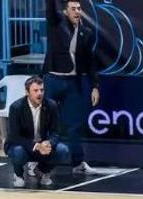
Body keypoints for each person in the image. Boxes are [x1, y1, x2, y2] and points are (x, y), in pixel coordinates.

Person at [43, 0, 99, 175]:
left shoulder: (86, 32)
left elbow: (90, 62)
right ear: (66, 12)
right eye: (73, 9)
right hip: (52, 80)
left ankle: (78, 163)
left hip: (73, 82)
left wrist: (95, 86)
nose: (77, 12)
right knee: (44, 122)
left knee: (74, 124)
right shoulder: (56, 23)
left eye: (79, 9)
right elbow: (50, 8)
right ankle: (35, 161)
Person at [5, 76, 70, 187]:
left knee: (63, 150)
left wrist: (49, 142)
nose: (39, 93)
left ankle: (42, 171)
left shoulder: (51, 105)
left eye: (42, 90)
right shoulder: (16, 107)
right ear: (27, 92)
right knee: (18, 152)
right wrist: (36, 145)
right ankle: (18, 175)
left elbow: (56, 132)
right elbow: (14, 136)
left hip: (43, 146)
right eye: (35, 90)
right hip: (24, 145)